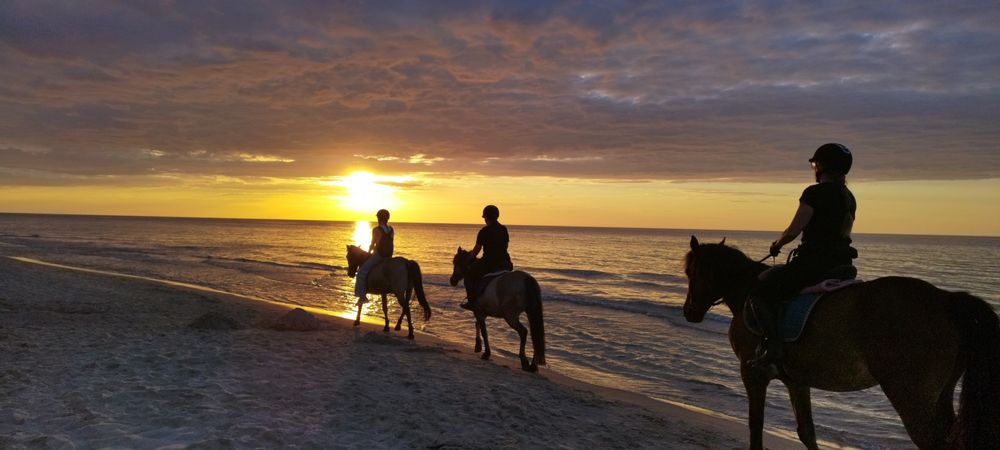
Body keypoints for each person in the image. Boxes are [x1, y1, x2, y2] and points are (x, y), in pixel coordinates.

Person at [753, 143, 858, 364]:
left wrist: (778, 244)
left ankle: (773, 345)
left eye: (815, 164)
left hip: (815, 263)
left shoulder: (814, 192)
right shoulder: (849, 196)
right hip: (842, 262)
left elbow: (794, 229)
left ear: (821, 166)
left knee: (761, 292)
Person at [459, 205, 514, 310]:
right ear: (497, 216)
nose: (484, 220)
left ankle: (471, 302)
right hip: (505, 262)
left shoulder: (484, 231)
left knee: (469, 276)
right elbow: (506, 246)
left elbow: (477, 249)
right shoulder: (503, 229)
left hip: (489, 262)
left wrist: (470, 258)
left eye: (485, 218)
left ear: (486, 218)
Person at [354, 209, 394, 306]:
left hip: (378, 256)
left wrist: (368, 253)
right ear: (387, 218)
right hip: (388, 256)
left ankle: (362, 297)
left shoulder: (376, 230)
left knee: (361, 272)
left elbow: (373, 244)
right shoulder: (391, 229)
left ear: (379, 218)